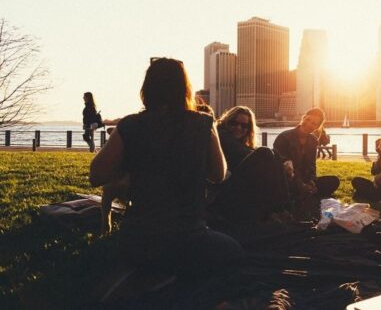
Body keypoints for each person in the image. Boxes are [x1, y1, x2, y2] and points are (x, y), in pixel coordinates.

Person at [89, 58, 242, 277]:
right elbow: (219, 175)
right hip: (189, 241)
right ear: (185, 89)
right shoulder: (204, 123)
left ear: (147, 89)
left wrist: (133, 170)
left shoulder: (130, 125)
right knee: (234, 251)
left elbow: (96, 175)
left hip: (138, 242)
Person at [208, 106, 291, 226]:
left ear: (249, 128)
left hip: (235, 187)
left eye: (244, 126)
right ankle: (281, 210)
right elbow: (247, 153)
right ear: (227, 121)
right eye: (234, 123)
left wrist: (285, 161)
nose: (238, 128)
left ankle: (282, 210)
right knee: (265, 152)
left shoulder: (238, 142)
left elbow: (249, 152)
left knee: (275, 154)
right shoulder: (223, 136)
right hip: (223, 192)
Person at [273, 108, 340, 218]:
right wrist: (301, 184)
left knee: (333, 181)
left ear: (317, 127)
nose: (309, 124)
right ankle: (301, 195)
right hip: (287, 179)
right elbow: (282, 166)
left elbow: (312, 165)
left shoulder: (313, 140)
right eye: (308, 120)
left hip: (304, 180)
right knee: (291, 188)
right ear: (303, 118)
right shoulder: (284, 137)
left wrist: (312, 181)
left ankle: (306, 194)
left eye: (314, 123)